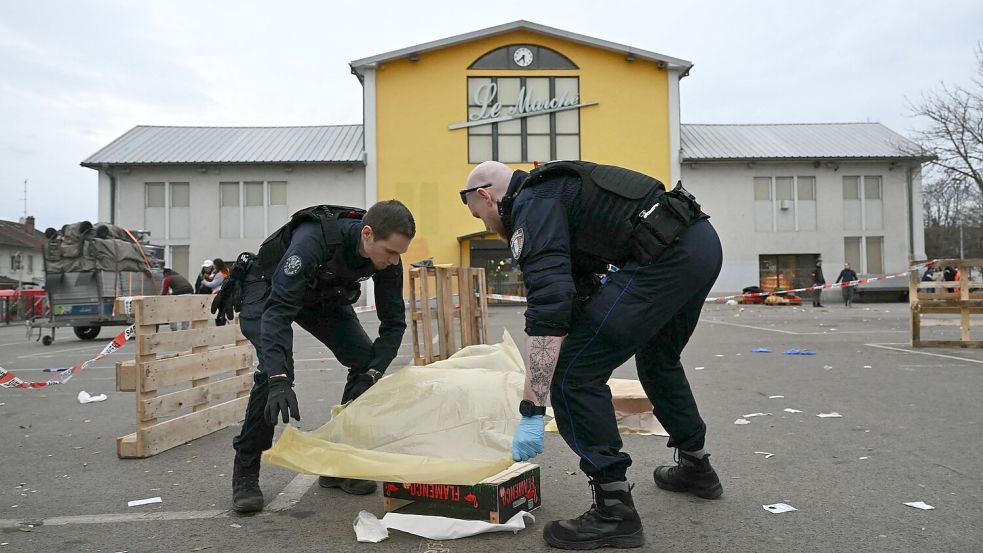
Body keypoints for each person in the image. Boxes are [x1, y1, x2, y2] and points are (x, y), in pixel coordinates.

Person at [460, 160, 722, 550]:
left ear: (486, 195)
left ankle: (615, 510)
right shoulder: (552, 194)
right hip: (699, 245)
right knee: (658, 358)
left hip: (666, 257)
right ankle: (696, 466)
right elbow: (579, 292)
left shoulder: (532, 204)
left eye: (478, 213)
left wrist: (533, 407)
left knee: (572, 376)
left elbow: (549, 303)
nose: (483, 223)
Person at [211, 200, 415, 514]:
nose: (394, 261)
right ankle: (246, 471)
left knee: (364, 362)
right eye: (390, 252)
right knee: (273, 374)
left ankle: (337, 464)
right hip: (268, 289)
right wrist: (279, 379)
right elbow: (278, 313)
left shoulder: (388, 259)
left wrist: (372, 373)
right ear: (368, 234)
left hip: (321, 295)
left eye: (399, 254)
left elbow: (394, 323)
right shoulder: (312, 240)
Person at [207, 259, 230, 326]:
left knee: (220, 309)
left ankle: (220, 323)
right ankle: (221, 322)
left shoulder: (222, 272)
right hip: (221, 292)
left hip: (220, 292)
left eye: (214, 264)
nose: (213, 265)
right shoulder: (219, 271)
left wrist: (205, 282)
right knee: (221, 310)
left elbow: (214, 283)